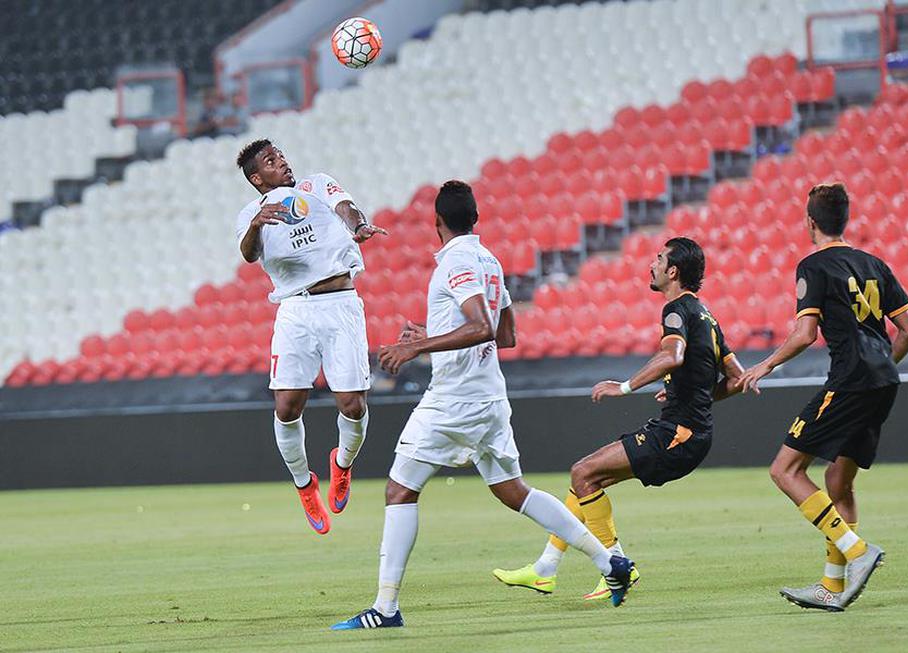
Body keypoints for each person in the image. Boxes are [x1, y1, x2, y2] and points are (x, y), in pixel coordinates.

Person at [330, 181, 633, 631]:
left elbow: (481, 325)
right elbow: (506, 334)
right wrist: (431, 337)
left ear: (437, 223)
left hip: (456, 399)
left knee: (399, 490)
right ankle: (611, 563)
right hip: (489, 396)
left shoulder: (455, 262)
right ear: (475, 219)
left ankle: (386, 607)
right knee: (514, 491)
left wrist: (420, 348)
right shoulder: (488, 260)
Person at [493, 237, 746, 601]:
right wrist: (692, 392)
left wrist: (624, 386)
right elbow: (737, 378)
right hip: (689, 432)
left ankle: (616, 564)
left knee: (583, 472)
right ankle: (545, 569)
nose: (652, 265)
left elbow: (673, 356)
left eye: (659, 259)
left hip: (678, 433)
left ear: (673, 271)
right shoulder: (707, 315)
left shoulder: (675, 311)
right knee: (587, 478)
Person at [737, 183, 908, 611]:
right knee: (839, 480)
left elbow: (805, 334)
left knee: (785, 469)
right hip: (884, 381)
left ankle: (856, 551)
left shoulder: (813, 265)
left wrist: (764, 365)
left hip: (851, 379)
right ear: (845, 220)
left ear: (810, 222)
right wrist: (882, 365)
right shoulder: (874, 262)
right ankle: (832, 585)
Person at [235, 139, 387, 535]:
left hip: (340, 304)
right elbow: (249, 255)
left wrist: (359, 226)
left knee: (353, 405)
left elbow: (346, 208)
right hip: (295, 311)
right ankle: (305, 486)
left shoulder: (316, 185)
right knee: (286, 407)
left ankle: (343, 464)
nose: (282, 161)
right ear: (257, 178)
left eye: (280, 154)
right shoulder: (251, 214)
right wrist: (255, 225)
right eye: (271, 160)